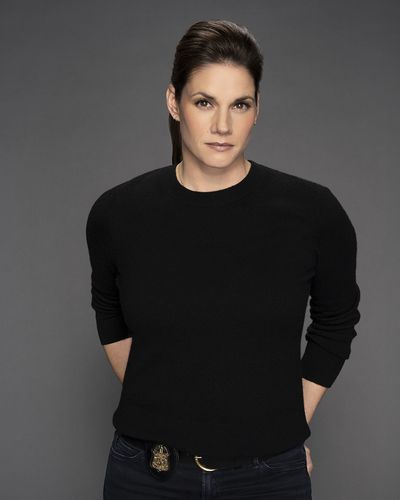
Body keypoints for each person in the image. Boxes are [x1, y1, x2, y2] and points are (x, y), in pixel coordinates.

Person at [85, 19, 361, 500]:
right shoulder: (118, 213)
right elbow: (110, 314)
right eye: (204, 102)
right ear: (174, 102)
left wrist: (285, 424)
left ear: (257, 110)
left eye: (240, 105)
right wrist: (163, 408)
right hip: (147, 473)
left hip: (268, 476)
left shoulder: (313, 212)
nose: (222, 126)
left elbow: (336, 321)